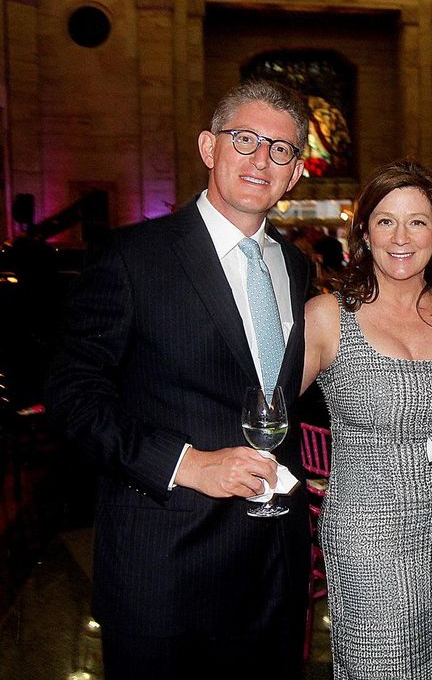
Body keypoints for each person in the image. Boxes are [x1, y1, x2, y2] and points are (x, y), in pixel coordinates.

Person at [45, 80, 311, 678]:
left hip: (273, 569)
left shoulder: (295, 265)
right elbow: (73, 397)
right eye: (245, 140)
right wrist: (186, 464)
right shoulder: (133, 257)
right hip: (165, 565)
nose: (261, 160)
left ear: (295, 174)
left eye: (281, 149)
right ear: (208, 147)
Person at [303, 159, 432, 680]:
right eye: (386, 221)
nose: (401, 237)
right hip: (366, 538)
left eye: (417, 222)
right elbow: (269, 411)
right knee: (379, 665)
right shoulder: (328, 316)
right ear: (364, 232)